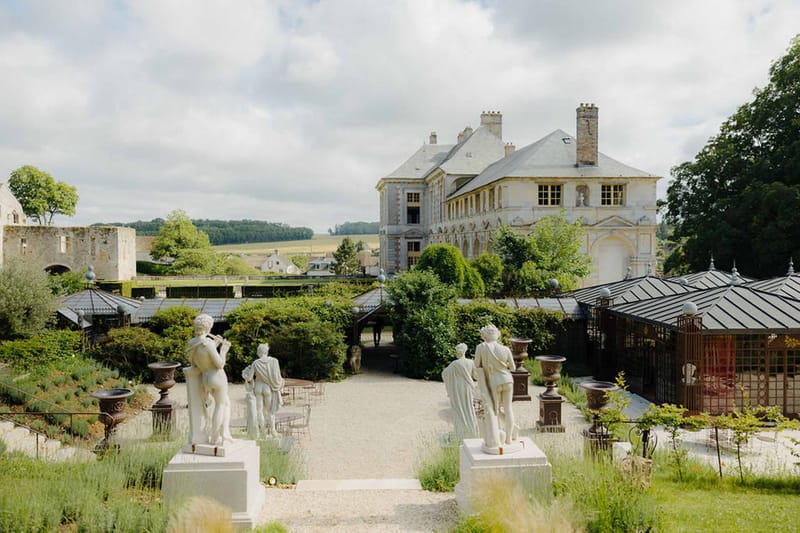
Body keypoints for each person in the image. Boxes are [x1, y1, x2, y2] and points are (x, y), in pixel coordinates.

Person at [185, 314, 232, 446]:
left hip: (205, 378)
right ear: (208, 327)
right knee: (221, 405)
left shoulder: (193, 343)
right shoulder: (208, 343)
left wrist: (214, 345)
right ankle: (215, 437)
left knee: (225, 403)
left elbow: (193, 361)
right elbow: (219, 364)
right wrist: (223, 350)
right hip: (217, 377)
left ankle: (223, 433)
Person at [472, 324, 517, 449]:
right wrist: (504, 365)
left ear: (484, 335)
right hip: (508, 380)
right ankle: (508, 438)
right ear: (497, 334)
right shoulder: (505, 349)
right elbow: (513, 367)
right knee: (508, 409)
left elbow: (477, 365)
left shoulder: (481, 347)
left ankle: (497, 438)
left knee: (495, 410)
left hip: (494, 381)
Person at [242, 343, 285, 438]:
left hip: (258, 387)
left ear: (259, 352)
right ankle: (273, 431)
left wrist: (244, 374)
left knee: (259, 410)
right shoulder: (273, 361)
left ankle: (262, 432)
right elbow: (278, 378)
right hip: (267, 388)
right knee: (270, 411)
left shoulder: (255, 363)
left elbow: (249, 378)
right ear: (266, 351)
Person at [441, 343, 479, 438]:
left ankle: (461, 432)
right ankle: (472, 430)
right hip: (467, 387)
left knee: (459, 409)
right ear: (465, 351)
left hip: (457, 389)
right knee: (469, 408)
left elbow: (444, 374)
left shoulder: (454, 364)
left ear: (458, 352)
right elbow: (476, 376)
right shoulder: (471, 362)